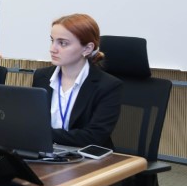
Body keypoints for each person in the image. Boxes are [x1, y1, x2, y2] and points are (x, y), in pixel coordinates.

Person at [32, 13, 122, 148]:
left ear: (87, 48)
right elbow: (34, 121)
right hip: (47, 152)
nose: (52, 49)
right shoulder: (41, 77)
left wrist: (43, 134)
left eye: (63, 43)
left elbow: (94, 137)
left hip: (87, 156)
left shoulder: (108, 86)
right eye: (52, 41)